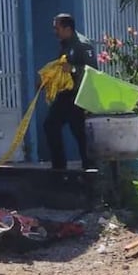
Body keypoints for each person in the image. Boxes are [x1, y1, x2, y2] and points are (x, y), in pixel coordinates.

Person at [44, 13, 98, 170]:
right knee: (50, 125)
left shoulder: (83, 44)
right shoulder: (64, 45)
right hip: (65, 94)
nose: (55, 32)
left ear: (67, 28)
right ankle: (59, 168)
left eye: (57, 28)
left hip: (80, 95)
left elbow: (92, 71)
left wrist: (73, 68)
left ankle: (90, 169)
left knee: (80, 132)